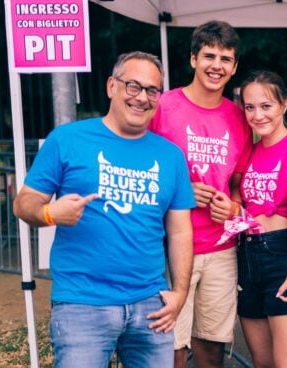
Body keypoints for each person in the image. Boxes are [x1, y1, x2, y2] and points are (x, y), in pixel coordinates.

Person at [13, 51, 195, 367]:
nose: (142, 98)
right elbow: (23, 202)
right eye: (133, 86)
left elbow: (180, 230)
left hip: (151, 305)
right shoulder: (67, 139)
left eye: (152, 90)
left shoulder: (171, 156)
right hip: (82, 304)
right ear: (112, 86)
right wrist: (50, 213)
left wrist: (179, 294)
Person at [149, 20, 252, 368]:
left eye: (225, 59)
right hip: (169, 245)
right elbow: (137, 164)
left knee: (211, 349)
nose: (216, 65)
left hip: (221, 249)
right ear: (193, 58)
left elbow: (238, 183)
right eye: (209, 55)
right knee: (170, 348)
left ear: (234, 67)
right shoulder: (163, 106)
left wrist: (233, 204)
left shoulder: (240, 118)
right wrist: (179, 190)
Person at [234, 70, 287, 367]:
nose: (258, 115)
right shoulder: (249, 151)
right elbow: (241, 201)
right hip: (246, 257)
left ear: (284, 105)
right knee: (264, 362)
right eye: (250, 107)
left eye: (266, 106)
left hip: (283, 255)